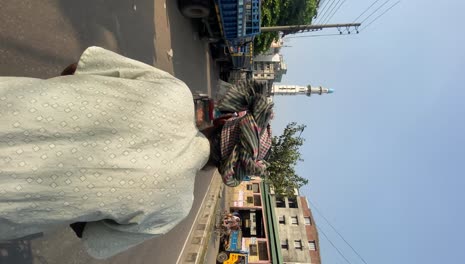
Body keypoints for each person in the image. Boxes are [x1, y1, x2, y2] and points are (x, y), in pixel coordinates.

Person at [0, 47, 273, 259]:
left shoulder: (175, 92)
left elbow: (78, 69)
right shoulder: (174, 208)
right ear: (227, 170)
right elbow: (94, 239)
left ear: (223, 121)